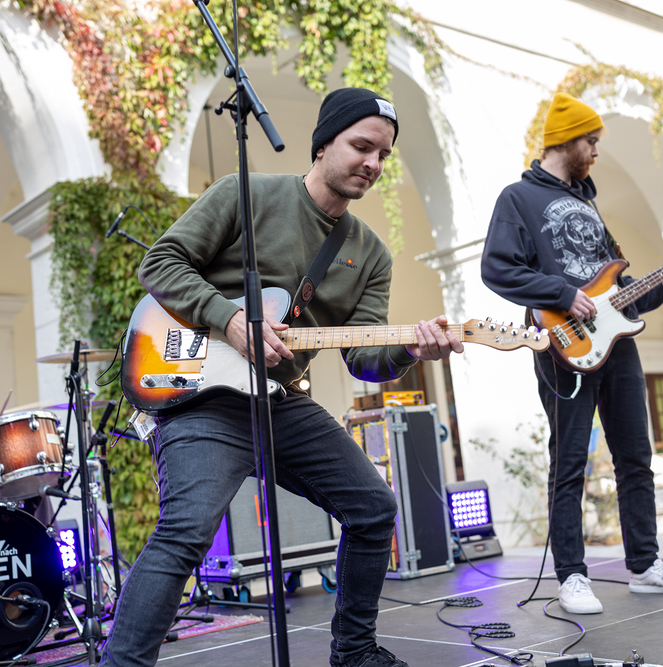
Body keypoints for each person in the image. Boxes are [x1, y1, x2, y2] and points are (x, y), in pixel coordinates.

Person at [101, 88, 463, 667]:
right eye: (362, 146)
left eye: (383, 155)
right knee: (187, 530)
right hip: (201, 397)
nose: (372, 163)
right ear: (323, 145)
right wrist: (231, 320)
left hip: (281, 401)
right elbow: (160, 264)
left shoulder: (371, 254)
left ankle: (353, 653)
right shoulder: (244, 195)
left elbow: (363, 357)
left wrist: (410, 350)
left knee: (374, 508)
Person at [480, 93, 663, 614]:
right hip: (562, 345)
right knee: (570, 464)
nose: (597, 151)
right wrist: (561, 294)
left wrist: (662, 285)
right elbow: (497, 268)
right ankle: (572, 577)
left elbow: (616, 293)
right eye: (592, 141)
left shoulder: (588, 203)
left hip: (616, 347)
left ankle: (645, 566)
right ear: (565, 140)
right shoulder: (518, 198)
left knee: (636, 458)